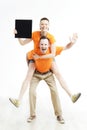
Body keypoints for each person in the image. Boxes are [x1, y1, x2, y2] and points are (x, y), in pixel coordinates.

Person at [9, 17, 81, 107]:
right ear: (39, 26)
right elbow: (22, 43)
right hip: (34, 57)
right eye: (42, 24)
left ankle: (72, 96)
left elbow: (56, 52)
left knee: (58, 74)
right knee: (28, 76)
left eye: (46, 24)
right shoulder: (35, 34)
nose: (44, 26)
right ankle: (18, 100)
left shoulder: (51, 38)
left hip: (45, 57)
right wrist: (18, 35)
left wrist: (72, 43)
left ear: (48, 26)